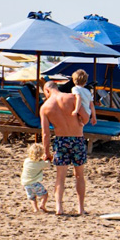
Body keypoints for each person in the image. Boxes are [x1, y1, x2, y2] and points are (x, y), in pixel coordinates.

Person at [40, 81, 88, 215]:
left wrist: (46, 152)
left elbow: (45, 133)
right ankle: (80, 208)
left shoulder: (45, 107)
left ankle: (59, 208)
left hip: (61, 141)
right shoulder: (72, 97)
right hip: (77, 139)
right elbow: (85, 117)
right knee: (79, 175)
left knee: (60, 177)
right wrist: (80, 122)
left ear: (47, 91)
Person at [21, 143, 49, 213]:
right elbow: (47, 164)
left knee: (32, 197)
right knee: (45, 194)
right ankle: (42, 205)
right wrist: (47, 159)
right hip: (35, 183)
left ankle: (35, 209)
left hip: (26, 183)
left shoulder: (27, 161)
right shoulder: (40, 163)